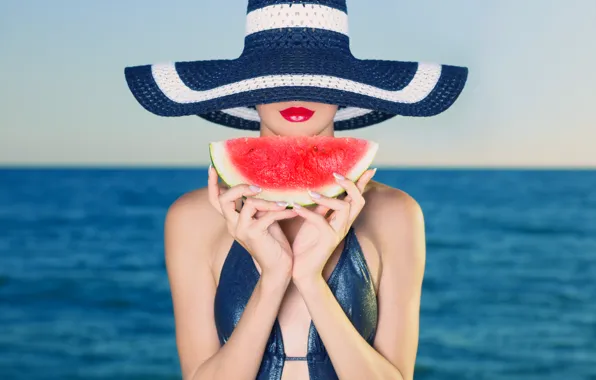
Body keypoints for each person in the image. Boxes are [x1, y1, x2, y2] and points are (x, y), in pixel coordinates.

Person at [124, 1, 468, 379]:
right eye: (275, 81)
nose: (296, 96)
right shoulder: (193, 218)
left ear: (343, 92)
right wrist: (273, 279)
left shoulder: (396, 214)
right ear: (250, 92)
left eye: (318, 81)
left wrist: (309, 279)